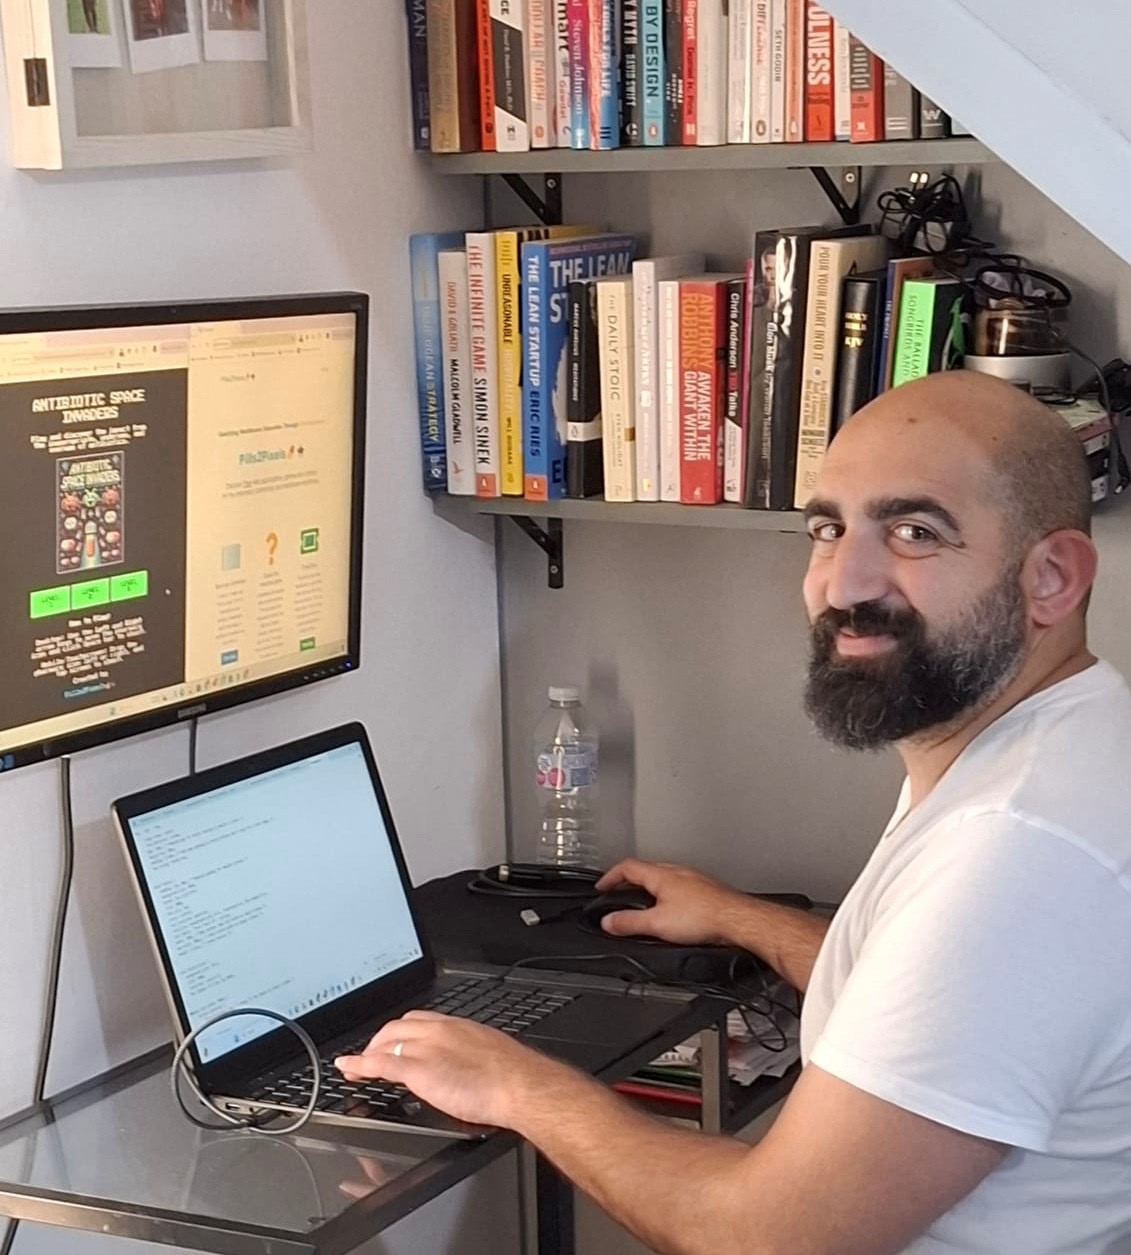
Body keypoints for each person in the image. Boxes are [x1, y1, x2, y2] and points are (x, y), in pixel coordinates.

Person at [338, 371, 1131, 1253]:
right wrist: (739, 918)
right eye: (828, 529)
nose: (843, 582)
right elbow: (943, 995)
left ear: (1051, 577)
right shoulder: (1057, 744)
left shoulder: (1016, 852)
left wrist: (519, 1087)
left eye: (914, 532)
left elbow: (766, 1236)